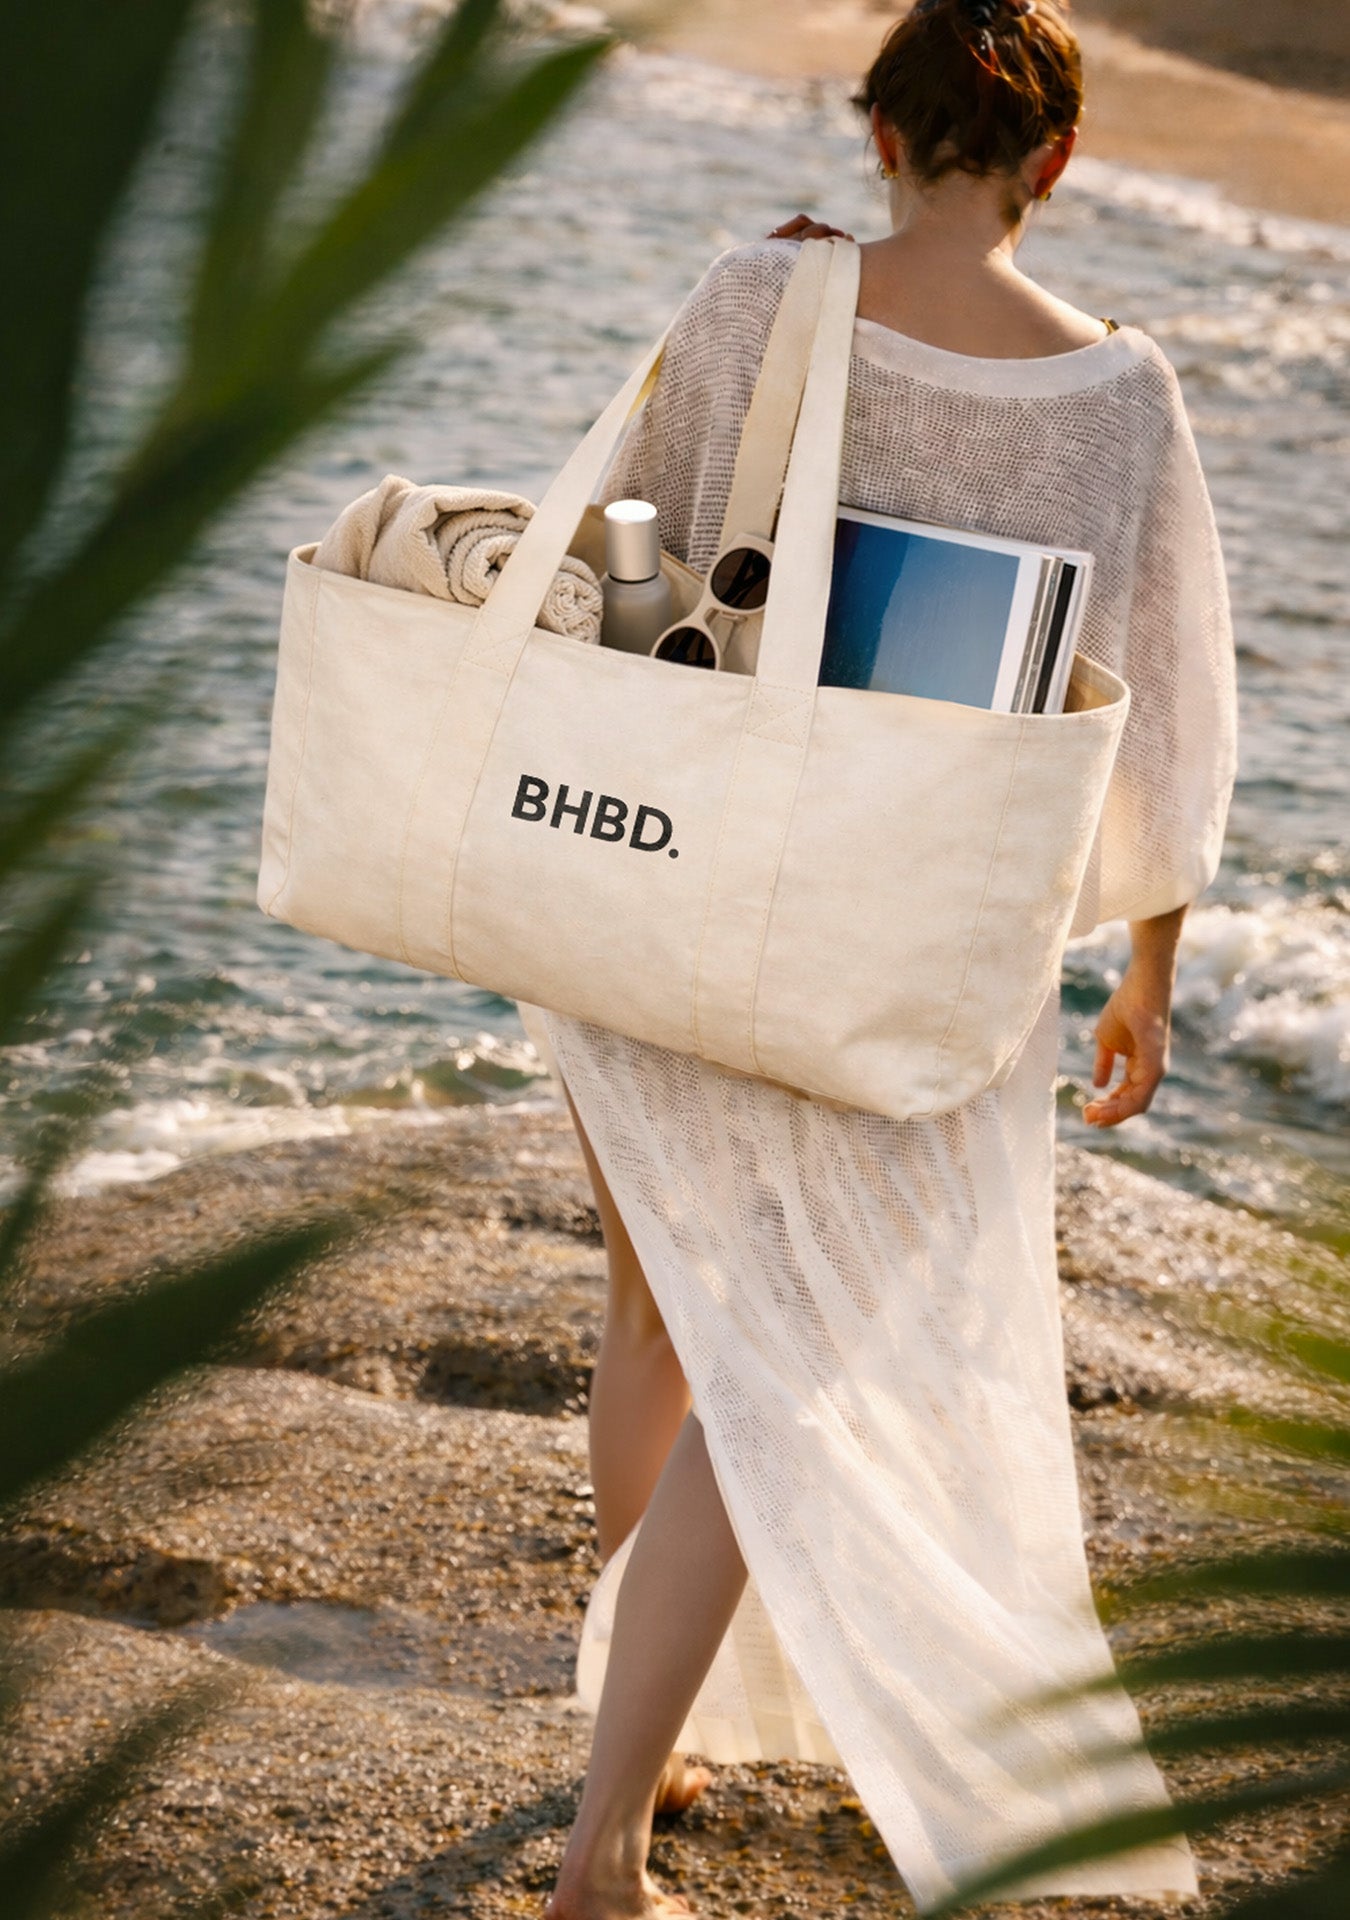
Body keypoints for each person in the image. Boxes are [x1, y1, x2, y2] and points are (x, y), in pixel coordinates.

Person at [537, 2, 1238, 1914]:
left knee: (669, 1312)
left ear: (874, 138)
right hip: (923, 946)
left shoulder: (758, 301)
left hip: (682, 881)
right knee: (784, 1367)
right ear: (1057, 162)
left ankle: (648, 1753)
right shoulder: (1123, 392)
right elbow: (1158, 724)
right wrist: (1146, 975)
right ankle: (607, 1828)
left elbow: (629, 558)